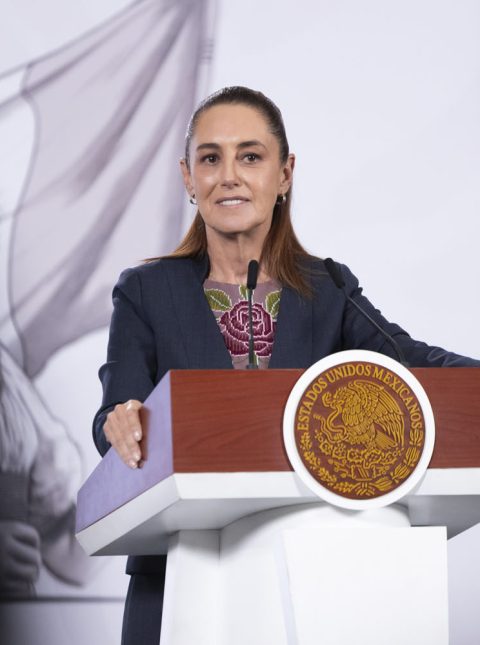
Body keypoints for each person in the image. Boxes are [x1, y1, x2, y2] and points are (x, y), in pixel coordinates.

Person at [92, 86, 480, 644]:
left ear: (285, 174)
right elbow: (114, 418)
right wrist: (119, 421)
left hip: (313, 575)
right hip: (178, 574)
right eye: (210, 158)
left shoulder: (328, 286)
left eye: (250, 156)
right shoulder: (145, 291)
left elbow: (412, 363)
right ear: (188, 177)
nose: (229, 176)